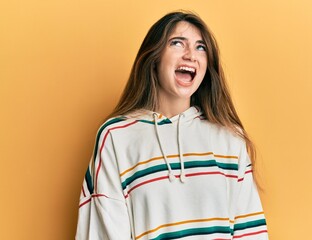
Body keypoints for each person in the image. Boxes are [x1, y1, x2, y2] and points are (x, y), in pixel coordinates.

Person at [76, 11, 268, 240]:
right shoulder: (116, 137)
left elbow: (250, 233)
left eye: (200, 47)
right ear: (154, 57)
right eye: (177, 43)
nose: (191, 55)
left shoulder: (229, 138)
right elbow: (104, 232)